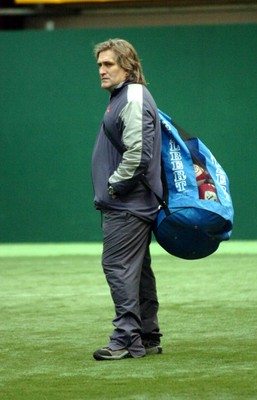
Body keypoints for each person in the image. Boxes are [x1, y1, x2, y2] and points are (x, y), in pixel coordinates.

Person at [91, 39, 163, 360]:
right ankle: (147, 336)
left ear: (128, 65)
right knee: (137, 270)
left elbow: (139, 153)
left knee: (117, 266)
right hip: (132, 203)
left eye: (109, 64)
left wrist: (114, 186)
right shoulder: (121, 97)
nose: (102, 70)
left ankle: (125, 340)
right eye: (100, 65)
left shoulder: (132, 96)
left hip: (127, 204)